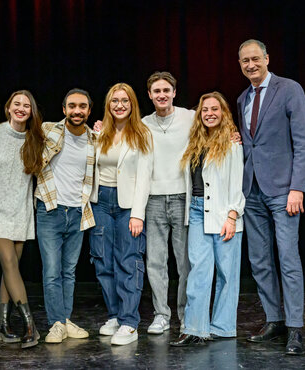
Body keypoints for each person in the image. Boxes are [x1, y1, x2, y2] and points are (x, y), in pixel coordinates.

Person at [237, 39, 305, 355]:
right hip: (251, 190)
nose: (251, 65)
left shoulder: (289, 89)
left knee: (287, 257)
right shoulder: (242, 97)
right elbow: (250, 143)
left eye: (256, 58)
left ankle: (295, 328)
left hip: (283, 191)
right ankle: (274, 320)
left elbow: (304, 142)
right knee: (259, 260)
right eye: (245, 61)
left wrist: (298, 187)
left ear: (267, 58)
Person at [170, 92, 245, 347]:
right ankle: (194, 328)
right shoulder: (194, 143)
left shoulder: (233, 144)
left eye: (215, 109)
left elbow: (238, 182)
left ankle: (223, 328)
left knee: (226, 273)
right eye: (205, 110)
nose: (210, 113)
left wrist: (232, 216)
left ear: (223, 112)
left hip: (225, 213)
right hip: (198, 211)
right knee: (198, 270)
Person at [89, 83, 153, 345]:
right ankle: (114, 315)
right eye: (114, 101)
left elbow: (145, 176)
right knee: (103, 261)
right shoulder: (99, 132)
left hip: (128, 205)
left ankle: (129, 322)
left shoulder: (142, 133)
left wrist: (138, 214)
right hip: (100, 202)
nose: (119, 105)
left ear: (132, 104)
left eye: (125, 101)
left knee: (128, 261)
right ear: (108, 104)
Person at [0, 90, 43, 348]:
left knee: (11, 268)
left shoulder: (35, 139)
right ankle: (30, 325)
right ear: (7, 108)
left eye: (26, 105)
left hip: (21, 211)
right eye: (16, 103)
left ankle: (2, 326)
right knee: (8, 262)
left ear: (31, 111)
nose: (21, 108)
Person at [35, 88, 96, 344]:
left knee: (69, 271)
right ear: (64, 110)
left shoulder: (95, 138)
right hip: (51, 209)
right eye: (72, 106)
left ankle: (65, 319)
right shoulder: (48, 130)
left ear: (89, 111)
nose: (77, 111)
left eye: (82, 106)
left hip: (79, 211)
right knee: (52, 271)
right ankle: (56, 323)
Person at [141, 72, 194, 334]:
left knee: (185, 262)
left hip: (183, 197)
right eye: (156, 91)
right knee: (156, 261)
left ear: (174, 92)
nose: (162, 94)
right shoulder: (142, 124)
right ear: (149, 95)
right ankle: (161, 314)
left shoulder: (190, 117)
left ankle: (185, 314)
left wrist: (232, 134)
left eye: (166, 90)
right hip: (153, 199)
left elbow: (215, 128)